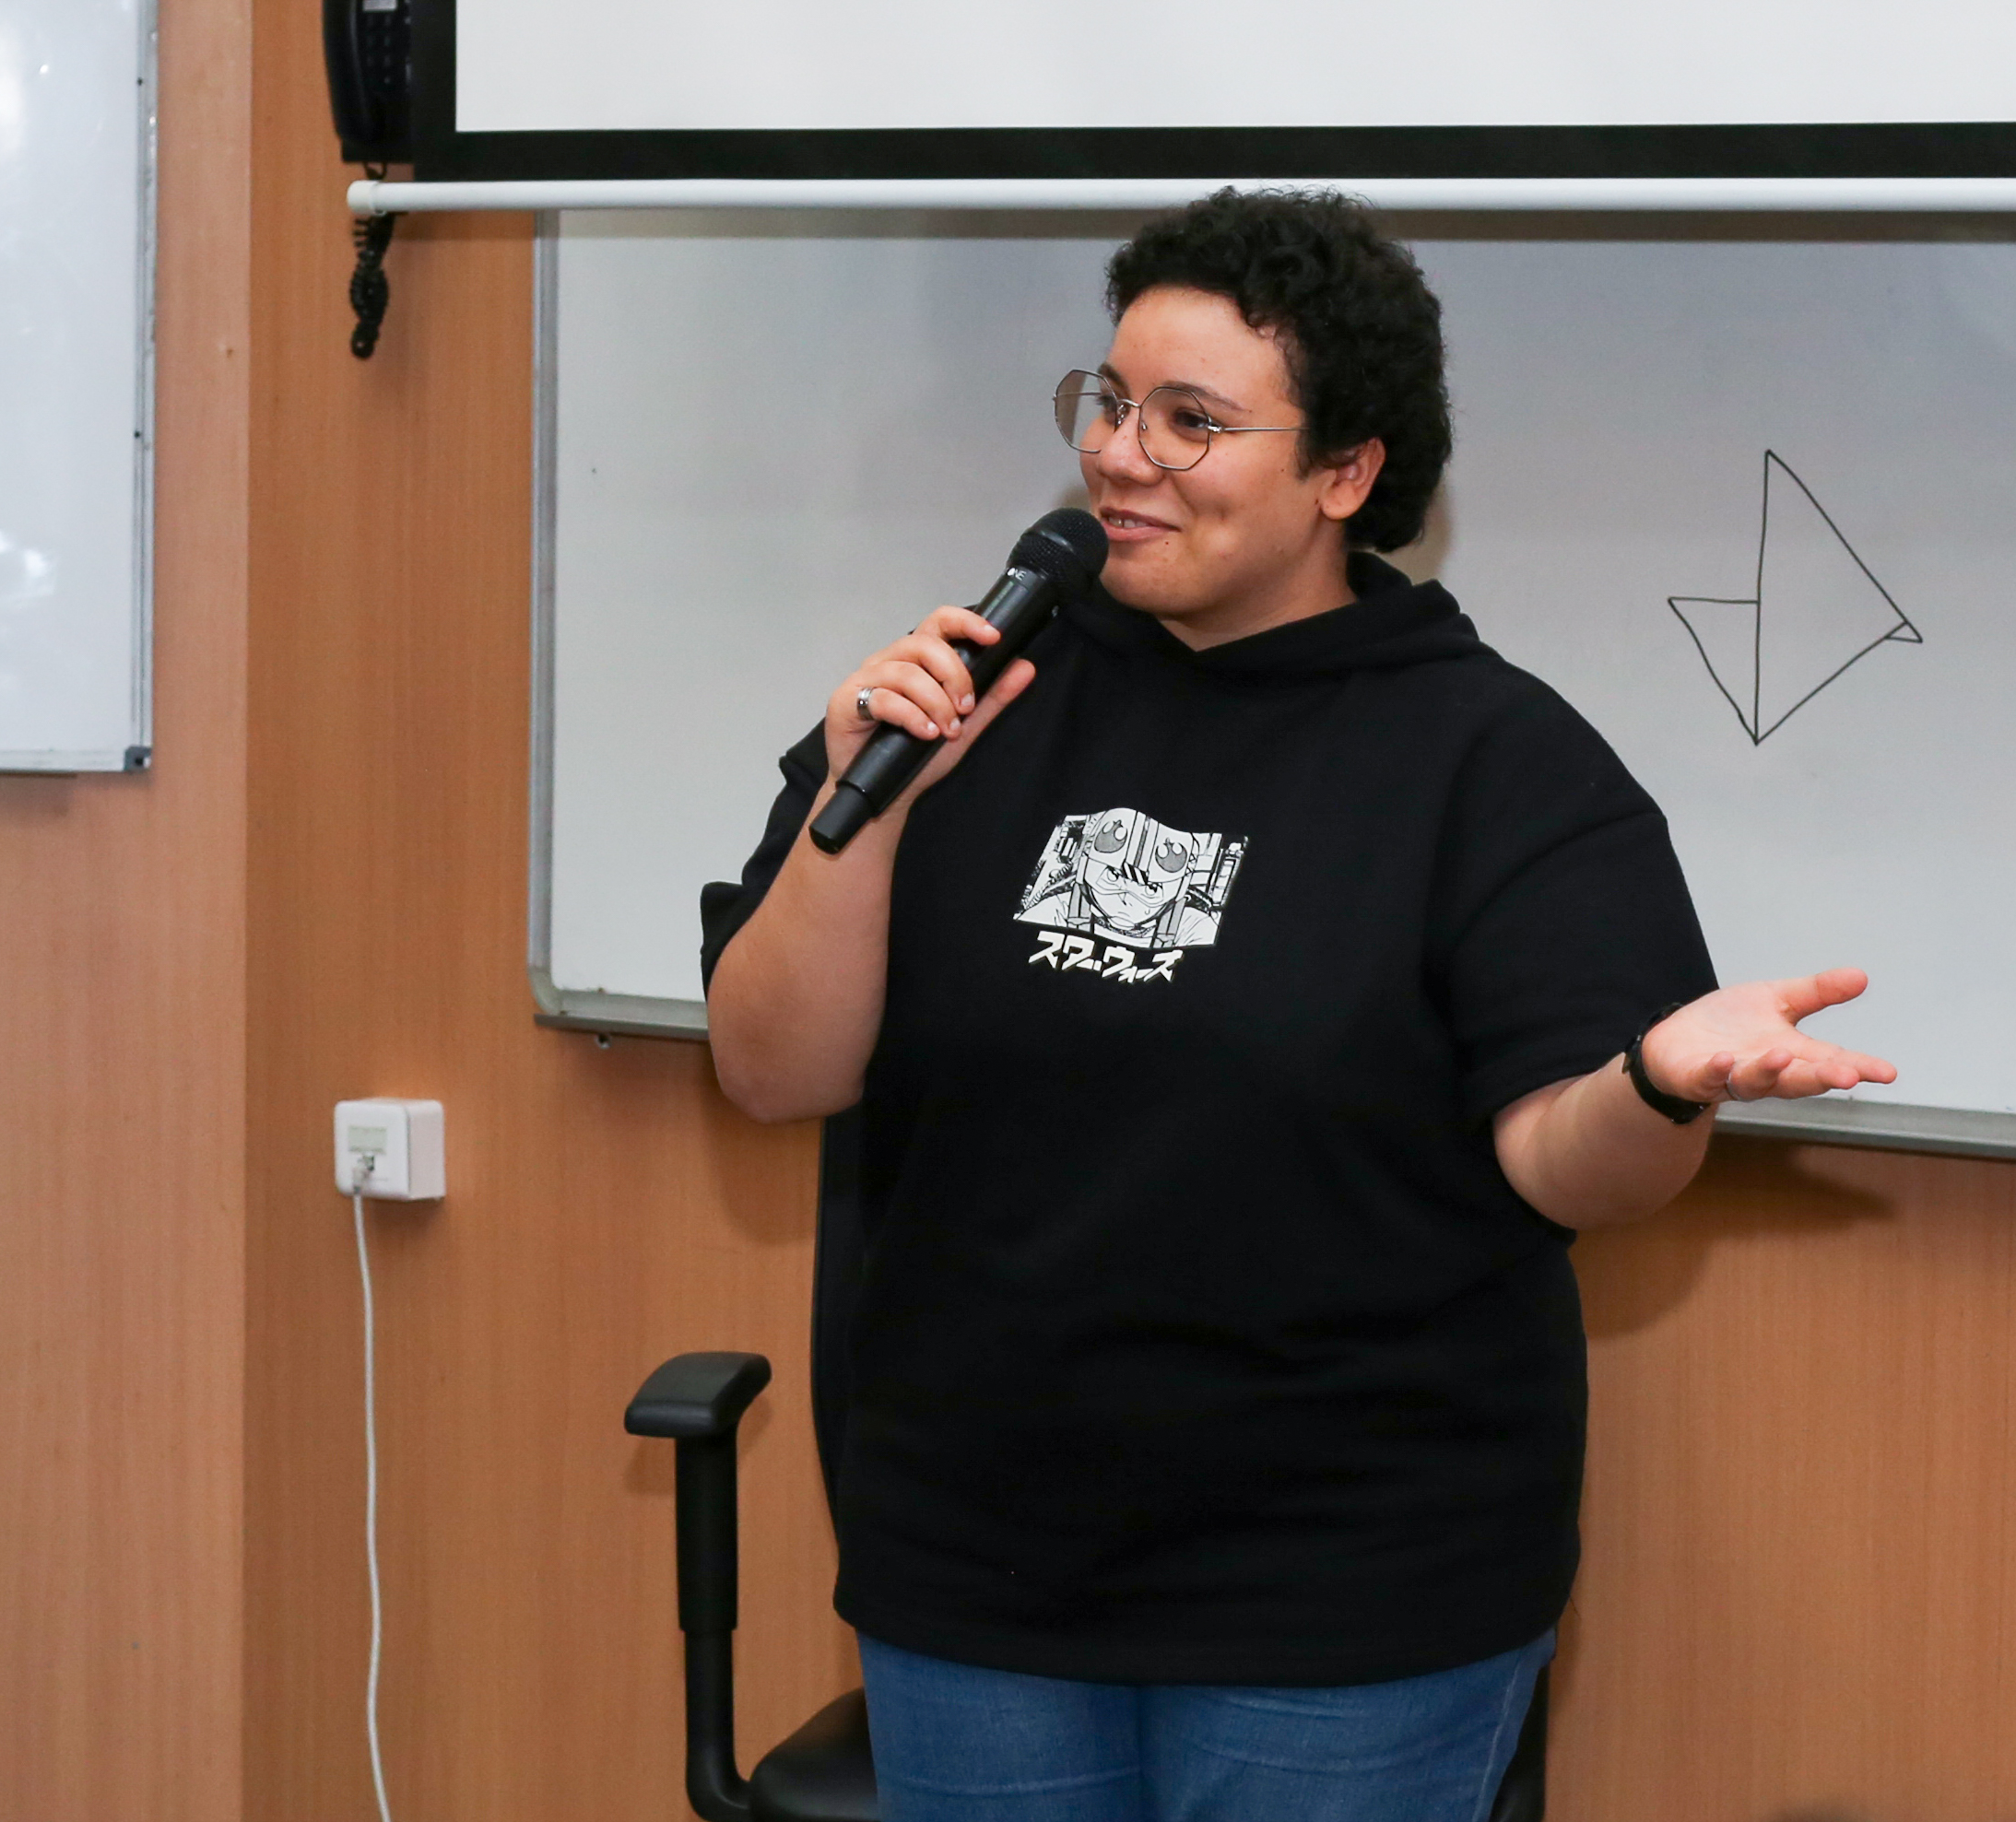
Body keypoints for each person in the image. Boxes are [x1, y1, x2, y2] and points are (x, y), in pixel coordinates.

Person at [699, 188, 1896, 1822]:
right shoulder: (967, 699)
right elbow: (771, 1071)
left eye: (1191, 422)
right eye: (1108, 401)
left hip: (1346, 1604)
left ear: (1346, 473)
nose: (1121, 456)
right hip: (974, 1574)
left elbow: (1573, 1168)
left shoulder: (1494, 761)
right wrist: (873, 804)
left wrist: (1654, 1083)